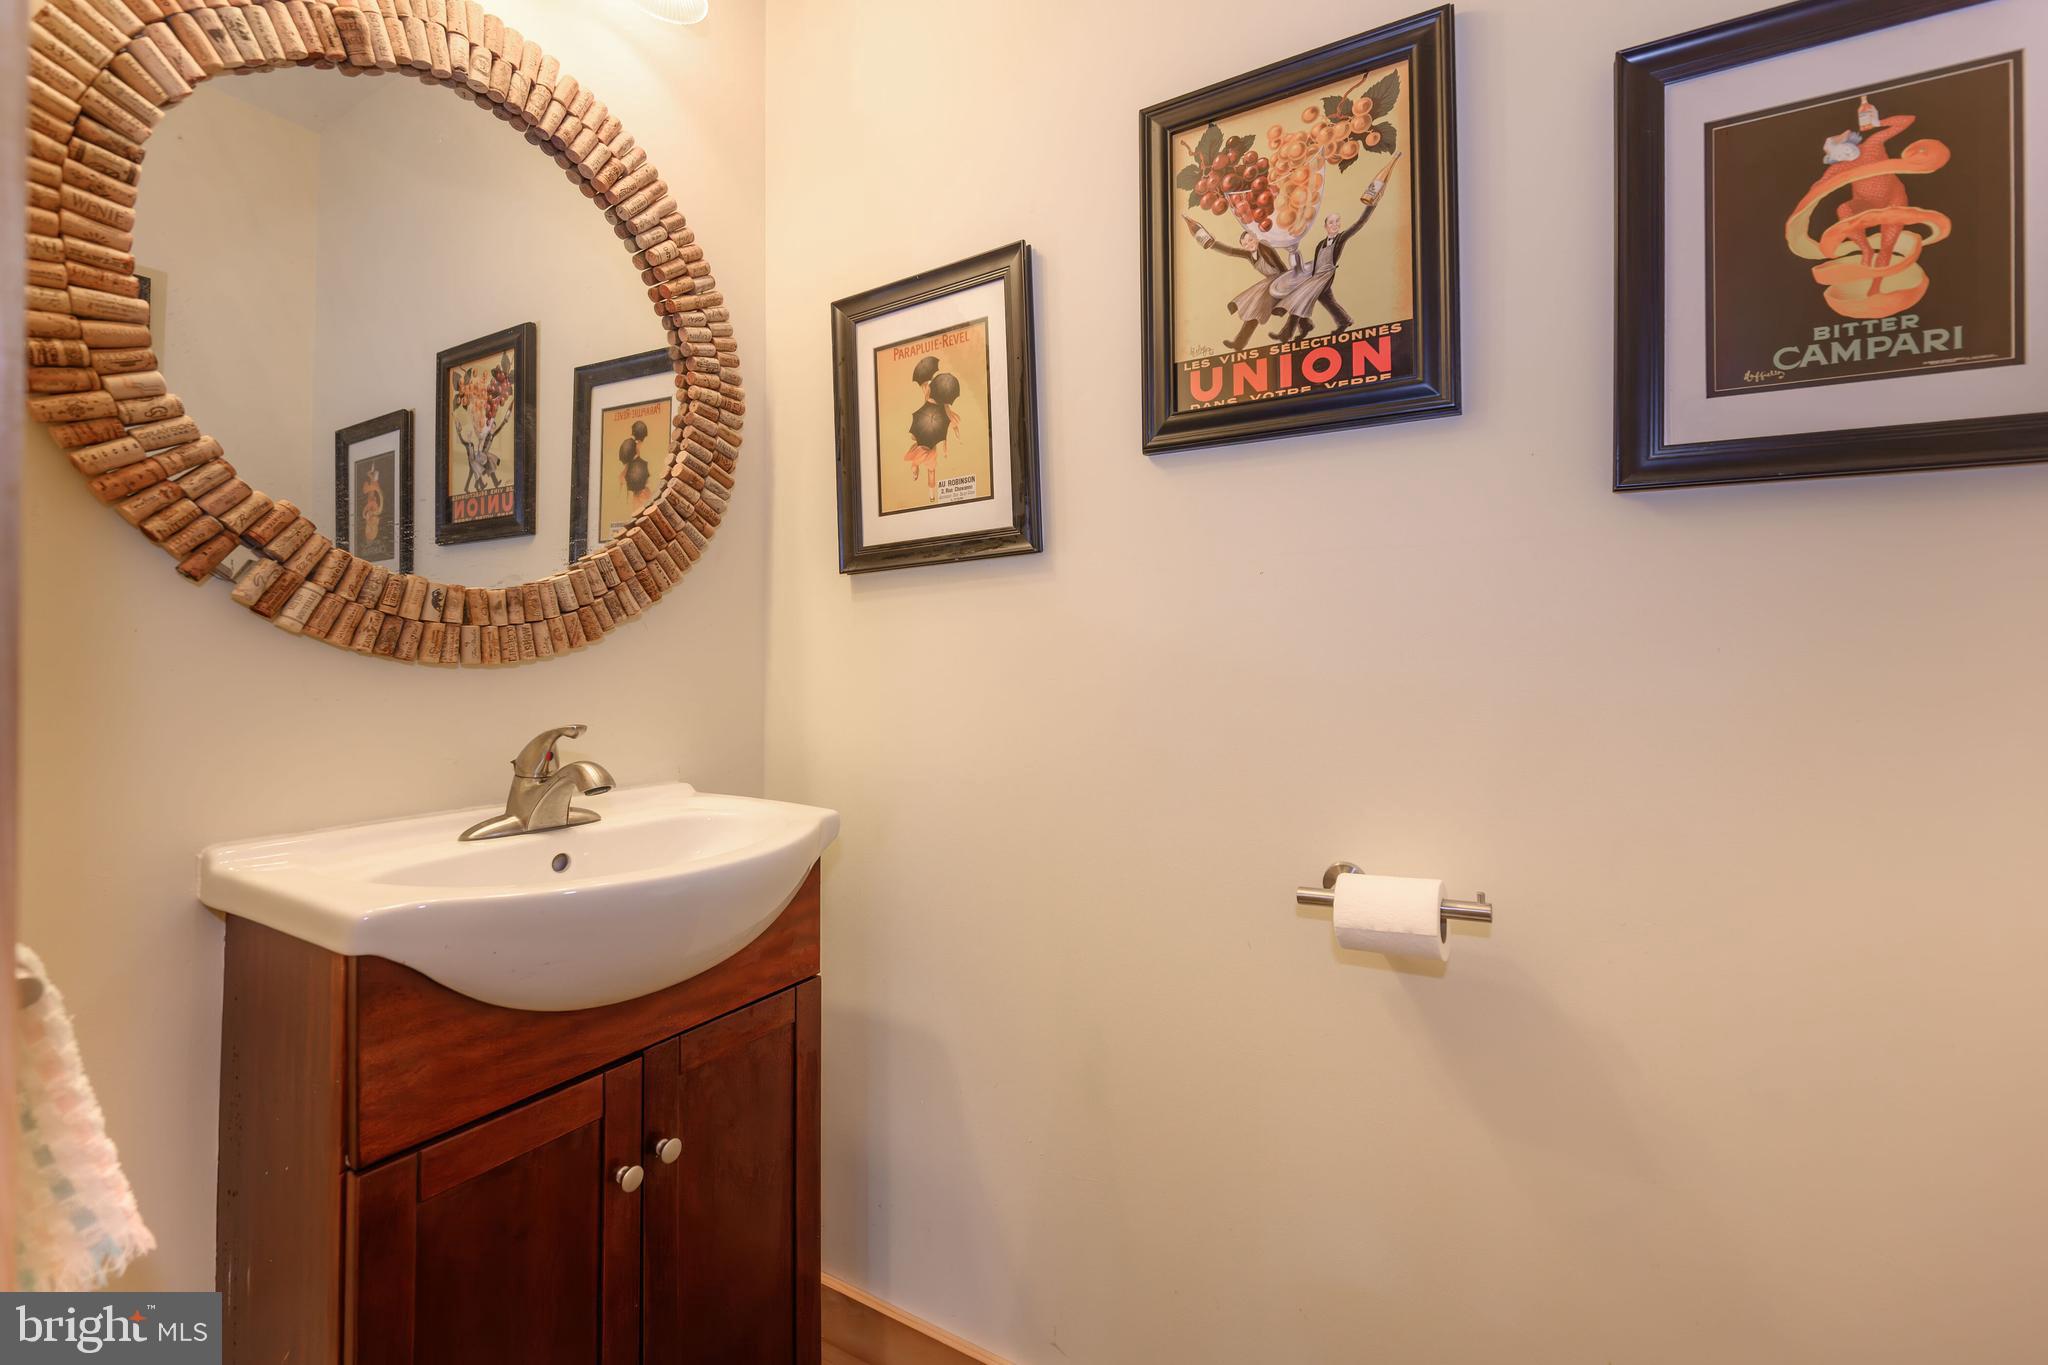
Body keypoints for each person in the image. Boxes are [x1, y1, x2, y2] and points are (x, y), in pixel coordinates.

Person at [1272, 191, 1383, 341]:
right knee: (1328, 301)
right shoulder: (1320, 244)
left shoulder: (1341, 239)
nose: (1335, 225)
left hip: (1325, 277)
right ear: (1325, 226)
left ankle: (1285, 330)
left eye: (1337, 221)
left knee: (1300, 299)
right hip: (1316, 277)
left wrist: (1371, 206)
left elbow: (1359, 224)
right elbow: (1317, 263)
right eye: (1331, 222)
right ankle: (1342, 321)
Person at [1189, 218, 1291, 353]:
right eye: (1245, 244)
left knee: (1258, 298)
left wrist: (1286, 285)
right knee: (1254, 311)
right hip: (1268, 285)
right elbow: (1231, 251)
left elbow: (1281, 266)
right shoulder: (1249, 255)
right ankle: (1239, 344)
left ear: (1256, 238)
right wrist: (1213, 244)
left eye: (1251, 240)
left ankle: (1237, 305)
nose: (1249, 244)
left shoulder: (1265, 248)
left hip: (1280, 281)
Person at [903, 357, 962, 500]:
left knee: (922, 463)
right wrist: (953, 442)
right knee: (929, 469)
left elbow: (950, 427)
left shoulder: (930, 394)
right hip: (929, 440)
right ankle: (931, 495)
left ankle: (918, 472)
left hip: (925, 437)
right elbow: (951, 427)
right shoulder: (944, 407)